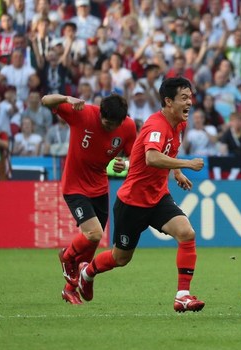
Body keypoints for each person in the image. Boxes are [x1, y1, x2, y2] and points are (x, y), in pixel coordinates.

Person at [75, 77, 207, 313]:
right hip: (132, 202)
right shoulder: (156, 125)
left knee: (186, 233)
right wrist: (186, 164)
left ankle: (182, 296)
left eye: (190, 97)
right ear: (168, 101)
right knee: (120, 258)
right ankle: (87, 272)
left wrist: (176, 172)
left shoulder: (179, 123)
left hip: (158, 197)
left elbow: (170, 150)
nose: (190, 102)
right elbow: (152, 157)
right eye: (184, 98)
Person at [43, 93, 136, 305]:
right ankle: (66, 256)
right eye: (105, 122)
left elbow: (136, 156)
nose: (108, 127)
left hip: (100, 188)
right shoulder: (83, 112)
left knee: (89, 249)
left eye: (113, 125)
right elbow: (45, 100)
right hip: (75, 186)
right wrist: (67, 99)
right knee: (94, 234)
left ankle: (69, 289)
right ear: (100, 113)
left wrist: (126, 163)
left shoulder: (128, 127)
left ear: (122, 121)